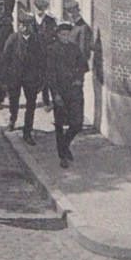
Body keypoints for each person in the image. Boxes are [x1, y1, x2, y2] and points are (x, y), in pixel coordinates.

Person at [46, 22, 89, 168]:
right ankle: (63, 155)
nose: (65, 37)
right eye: (63, 34)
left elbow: (83, 66)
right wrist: (55, 95)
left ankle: (64, 145)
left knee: (77, 124)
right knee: (59, 124)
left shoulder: (74, 49)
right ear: (58, 35)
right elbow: (50, 75)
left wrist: (79, 80)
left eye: (67, 34)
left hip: (75, 91)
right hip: (60, 92)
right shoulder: (52, 50)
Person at [0, 13, 44, 145]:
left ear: (30, 26)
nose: (21, 27)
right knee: (14, 100)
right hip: (15, 77)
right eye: (20, 24)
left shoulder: (36, 41)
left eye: (24, 25)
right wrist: (4, 79)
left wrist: (41, 80)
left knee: (31, 105)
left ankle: (27, 131)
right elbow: (5, 59)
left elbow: (42, 62)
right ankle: (12, 120)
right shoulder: (13, 39)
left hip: (31, 78)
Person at [30, 0, 58, 111]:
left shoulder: (50, 21)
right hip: (35, 55)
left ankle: (47, 101)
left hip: (47, 54)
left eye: (42, 9)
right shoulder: (31, 21)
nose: (40, 11)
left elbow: (54, 37)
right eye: (38, 9)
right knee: (37, 77)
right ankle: (35, 98)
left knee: (48, 77)